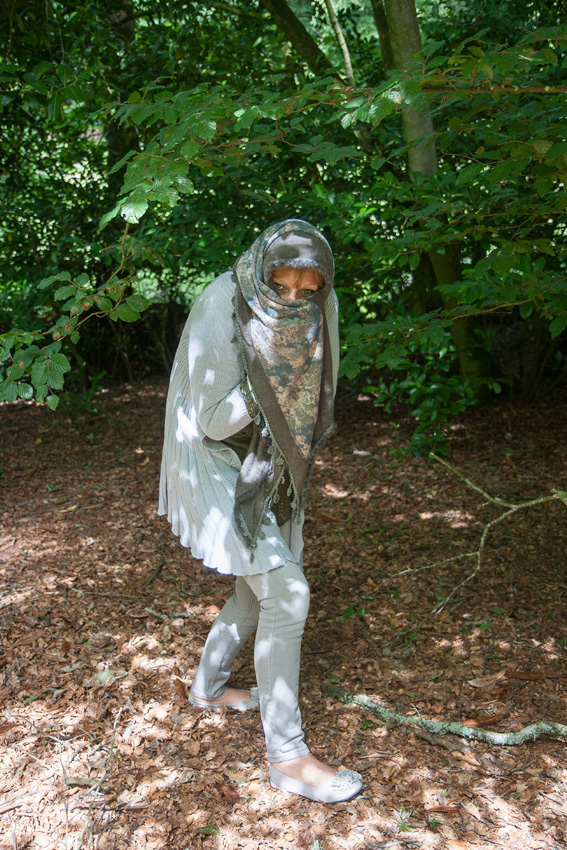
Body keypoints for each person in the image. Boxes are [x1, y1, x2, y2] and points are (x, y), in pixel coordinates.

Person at [158, 219, 362, 804]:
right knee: (286, 591)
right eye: (283, 287)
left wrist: (289, 399)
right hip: (208, 454)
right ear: (261, 270)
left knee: (260, 585)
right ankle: (288, 758)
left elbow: (324, 381)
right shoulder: (219, 302)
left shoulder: (324, 302)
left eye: (308, 290)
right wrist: (271, 377)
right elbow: (212, 421)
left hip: (268, 455)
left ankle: (207, 689)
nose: (295, 300)